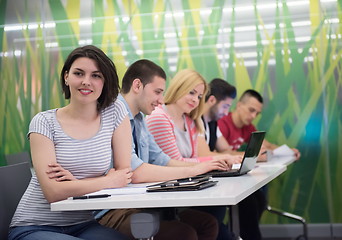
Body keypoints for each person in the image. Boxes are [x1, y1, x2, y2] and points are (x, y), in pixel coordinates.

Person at [97, 60, 232, 240]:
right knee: (185, 233)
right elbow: (134, 171)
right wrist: (194, 170)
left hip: (139, 201)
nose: (161, 100)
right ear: (137, 85)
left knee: (207, 223)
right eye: (158, 92)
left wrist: (199, 170)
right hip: (115, 206)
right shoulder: (115, 113)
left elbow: (162, 159)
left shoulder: (139, 119)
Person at [9, 45, 133, 240]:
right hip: (35, 225)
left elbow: (123, 173)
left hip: (83, 224)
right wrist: (108, 181)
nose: (86, 82)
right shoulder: (43, 122)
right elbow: (53, 192)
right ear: (66, 77)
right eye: (78, 73)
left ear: (104, 81)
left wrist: (76, 183)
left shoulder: (115, 112)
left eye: (96, 75)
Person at [146, 70, 242, 240]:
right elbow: (175, 162)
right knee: (215, 217)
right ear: (178, 88)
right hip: (163, 196)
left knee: (215, 216)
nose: (195, 100)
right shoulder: (159, 117)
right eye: (191, 92)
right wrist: (216, 159)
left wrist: (217, 160)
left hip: (182, 191)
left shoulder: (189, 121)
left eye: (199, 96)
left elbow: (195, 157)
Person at [217, 89, 301, 240]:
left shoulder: (247, 127)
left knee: (259, 199)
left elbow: (267, 145)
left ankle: (242, 232)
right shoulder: (222, 124)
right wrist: (253, 157)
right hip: (223, 180)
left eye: (257, 113)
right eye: (251, 110)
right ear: (239, 105)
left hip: (235, 178)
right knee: (252, 202)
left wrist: (288, 151)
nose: (253, 116)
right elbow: (221, 154)